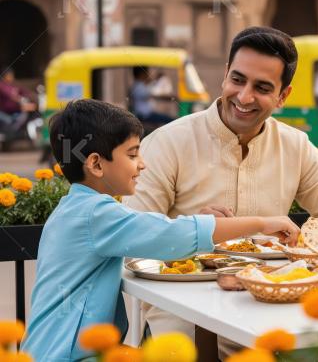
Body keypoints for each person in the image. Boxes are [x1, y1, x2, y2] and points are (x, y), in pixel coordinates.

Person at [124, 26, 318, 357]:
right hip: (184, 309)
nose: (244, 97)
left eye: (262, 88)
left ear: (283, 96)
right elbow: (132, 238)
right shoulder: (168, 142)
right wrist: (195, 230)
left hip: (275, 300)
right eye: (238, 80)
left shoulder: (294, 145)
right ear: (224, 76)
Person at [21, 99, 300, 361]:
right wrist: (261, 223)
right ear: (95, 163)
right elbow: (169, 235)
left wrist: (196, 223)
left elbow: (154, 231)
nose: (142, 164)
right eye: (132, 154)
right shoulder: (96, 214)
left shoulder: (75, 209)